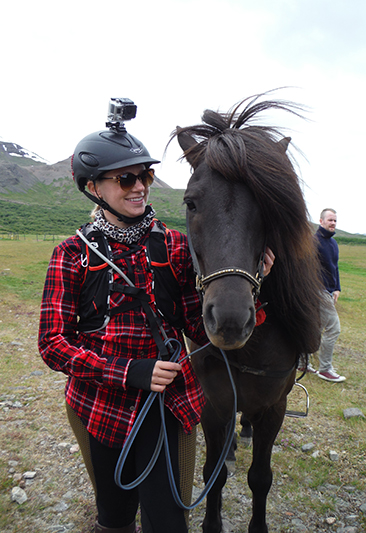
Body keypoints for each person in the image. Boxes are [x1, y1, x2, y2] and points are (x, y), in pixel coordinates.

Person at [38, 123, 276, 533]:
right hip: (100, 407)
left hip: (169, 406)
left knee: (168, 523)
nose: (139, 187)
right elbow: (52, 343)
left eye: (145, 175)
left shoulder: (174, 246)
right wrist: (130, 372)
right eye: (125, 178)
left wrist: (252, 295)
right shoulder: (71, 254)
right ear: (94, 188)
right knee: (114, 520)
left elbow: (198, 328)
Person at [313, 208, 346, 383]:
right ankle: (325, 369)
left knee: (316, 327)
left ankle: (302, 362)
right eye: (330, 220)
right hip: (318, 291)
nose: (333, 223)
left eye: (335, 221)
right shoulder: (313, 241)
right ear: (321, 221)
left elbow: (335, 268)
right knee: (333, 328)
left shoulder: (333, 244)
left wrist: (337, 288)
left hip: (329, 291)